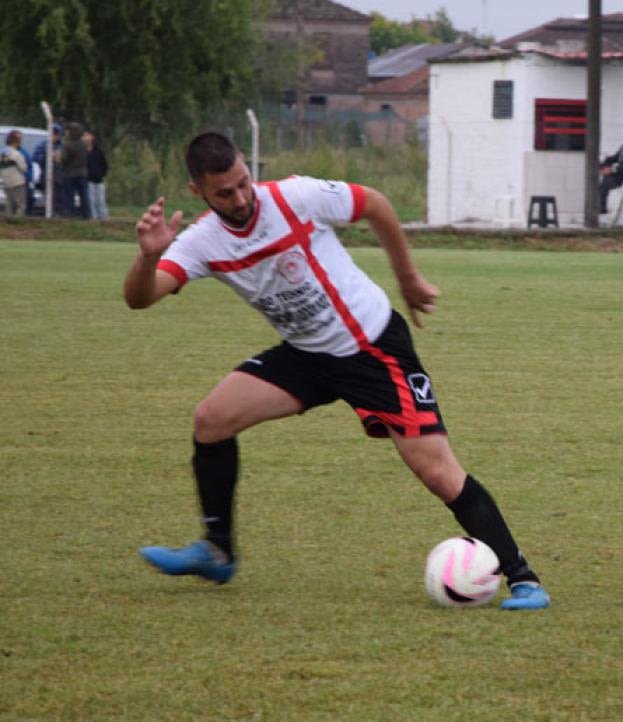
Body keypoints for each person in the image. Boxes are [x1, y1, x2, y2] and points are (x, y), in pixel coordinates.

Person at [123, 132, 550, 610]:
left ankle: (524, 579)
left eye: (244, 182)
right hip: (307, 356)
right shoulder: (202, 240)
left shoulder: (296, 197)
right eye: (224, 192)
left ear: (247, 167)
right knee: (212, 419)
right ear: (197, 190)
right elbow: (140, 298)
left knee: (437, 472)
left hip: (374, 349)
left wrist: (408, 278)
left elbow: (376, 204)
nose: (240, 198)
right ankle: (217, 552)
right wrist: (148, 257)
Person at [32, 123, 63, 216]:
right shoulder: (43, 145)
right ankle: (52, 214)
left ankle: (60, 214)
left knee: (60, 198)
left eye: (56, 134)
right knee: (50, 197)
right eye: (52, 133)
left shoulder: (63, 145)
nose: (54, 136)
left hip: (61, 176)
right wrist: (49, 156)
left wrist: (61, 157)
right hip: (47, 176)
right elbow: (36, 157)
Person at [60, 122, 90, 219]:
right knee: (83, 195)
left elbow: (64, 159)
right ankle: (86, 214)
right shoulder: (83, 144)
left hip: (69, 173)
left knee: (69, 195)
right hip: (82, 172)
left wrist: (59, 158)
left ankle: (70, 213)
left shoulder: (68, 144)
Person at [1, 130, 29, 217]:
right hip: (18, 182)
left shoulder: (2, 153)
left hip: (6, 182)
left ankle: (8, 218)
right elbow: (24, 168)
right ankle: (18, 219)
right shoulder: (16, 154)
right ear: (16, 142)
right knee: (20, 204)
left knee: (9, 202)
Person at [84, 130, 109, 220]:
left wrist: (101, 173)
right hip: (88, 180)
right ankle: (93, 218)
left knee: (101, 201)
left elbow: (104, 164)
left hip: (99, 180)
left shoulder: (98, 151)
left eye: (87, 135)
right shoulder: (82, 152)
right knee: (91, 201)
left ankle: (104, 217)